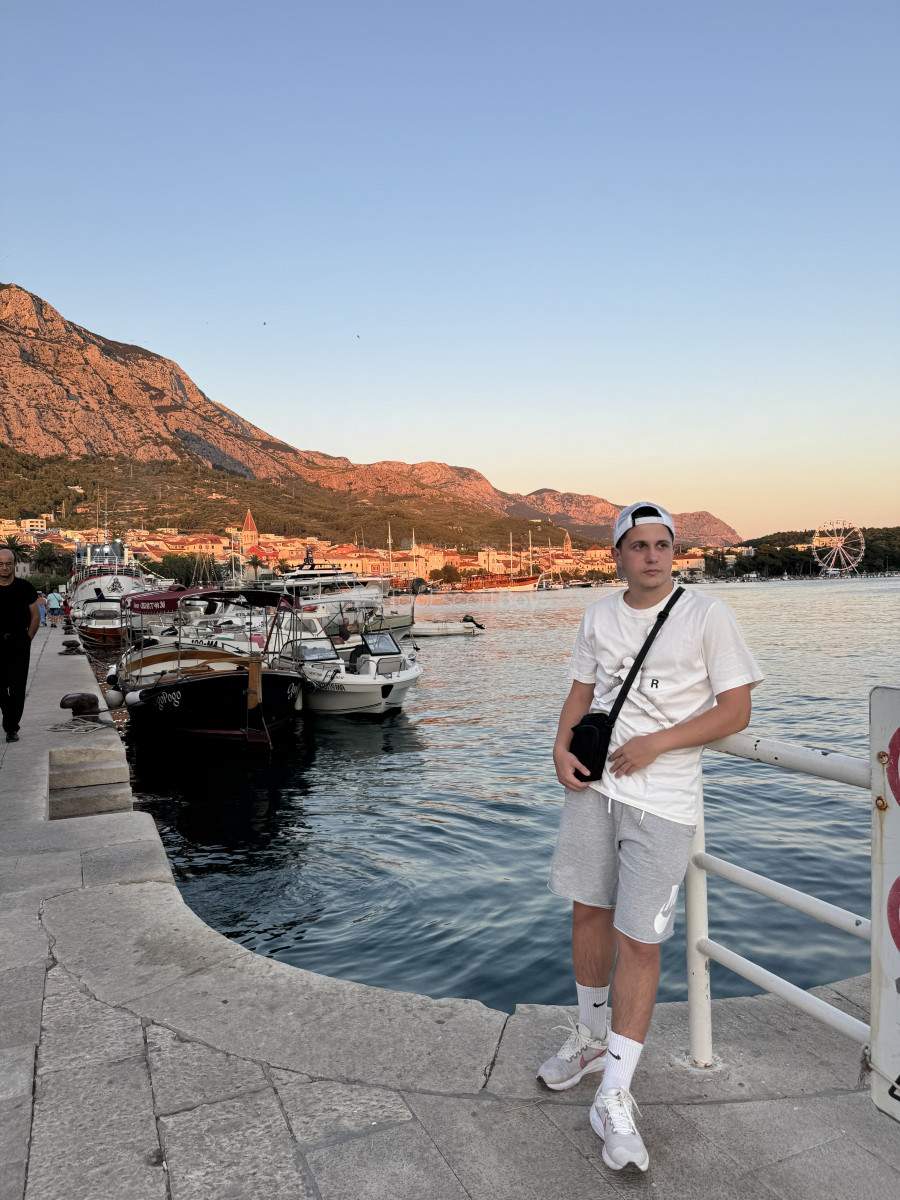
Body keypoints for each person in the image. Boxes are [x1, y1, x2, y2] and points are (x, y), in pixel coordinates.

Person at [538, 502, 763, 1173]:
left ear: (673, 551)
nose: (652, 556)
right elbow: (581, 693)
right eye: (638, 545)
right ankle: (589, 1037)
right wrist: (559, 749)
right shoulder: (598, 616)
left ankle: (614, 1091)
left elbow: (736, 710)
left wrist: (658, 743)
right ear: (617, 555)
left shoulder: (707, 615)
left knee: (640, 940)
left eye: (662, 544)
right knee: (588, 912)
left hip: (662, 803)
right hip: (595, 792)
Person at [0, 548, 40, 742]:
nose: (4, 567)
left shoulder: (25, 587)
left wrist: (27, 639)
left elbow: (35, 615)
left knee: (17, 688)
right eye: (0, 564)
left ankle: (11, 728)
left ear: (14, 564)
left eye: (8, 563)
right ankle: (9, 718)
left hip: (18, 644)